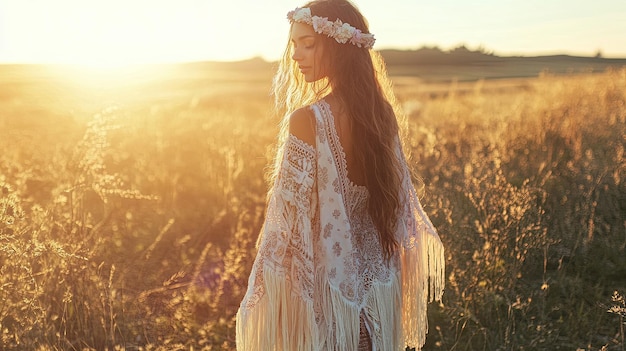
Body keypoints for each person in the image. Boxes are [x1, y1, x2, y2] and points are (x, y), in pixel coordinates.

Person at [236, 0, 445, 350]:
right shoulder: (384, 115)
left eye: (308, 43)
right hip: (379, 289)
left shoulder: (309, 120)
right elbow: (397, 209)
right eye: (294, 45)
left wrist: (262, 301)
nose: (296, 55)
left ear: (337, 46)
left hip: (332, 304)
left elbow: (286, 225)